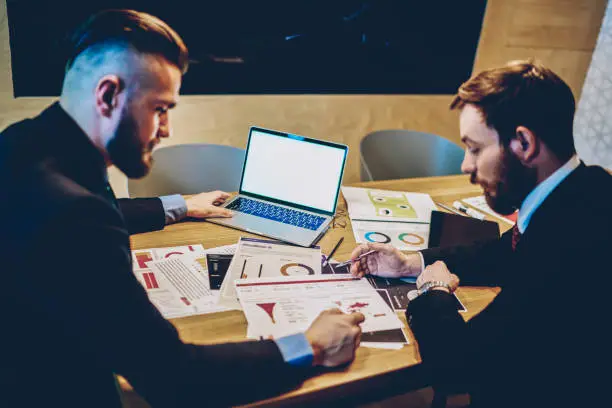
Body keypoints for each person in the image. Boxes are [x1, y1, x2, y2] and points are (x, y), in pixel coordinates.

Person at [0, 9, 364, 408]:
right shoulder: (74, 216)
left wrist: (180, 206)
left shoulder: (22, 146)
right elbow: (176, 377)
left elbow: (96, 211)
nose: (167, 129)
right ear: (107, 96)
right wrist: (310, 345)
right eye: (160, 108)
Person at [350, 60, 612, 407]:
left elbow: (458, 366)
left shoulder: (569, 244)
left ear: (523, 143)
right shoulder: (589, 187)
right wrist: (409, 263)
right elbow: (504, 252)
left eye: (474, 148)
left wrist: (433, 291)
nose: (465, 165)